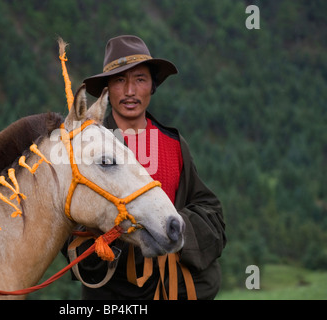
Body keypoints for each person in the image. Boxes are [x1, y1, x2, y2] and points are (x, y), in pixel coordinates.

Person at [64, 35, 226, 300]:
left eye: (140, 79)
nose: (130, 90)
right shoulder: (87, 149)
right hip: (112, 294)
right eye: (119, 80)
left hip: (175, 288)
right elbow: (68, 223)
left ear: (152, 86)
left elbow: (210, 211)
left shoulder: (174, 144)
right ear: (106, 89)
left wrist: (170, 227)